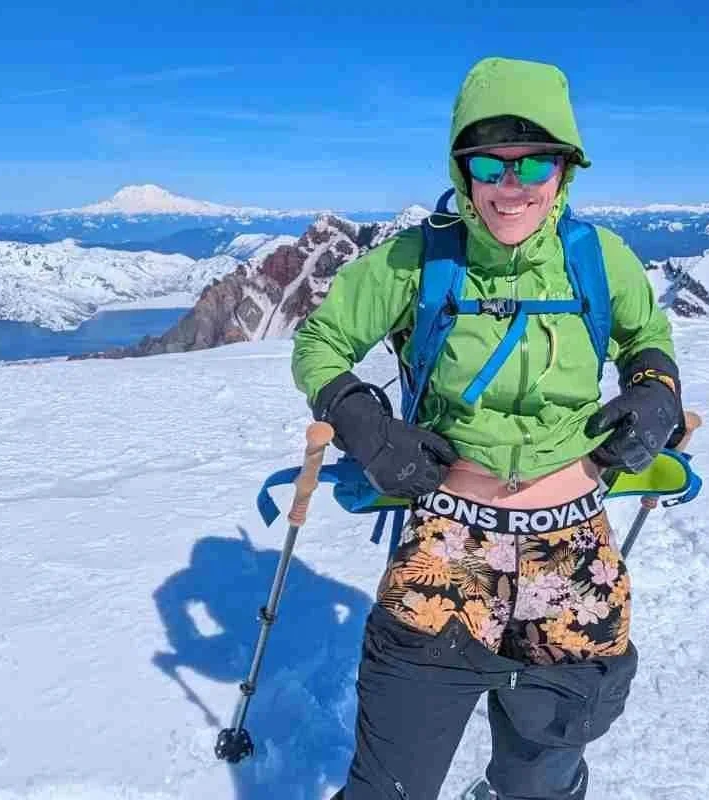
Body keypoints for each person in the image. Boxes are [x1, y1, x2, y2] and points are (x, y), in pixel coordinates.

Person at [292, 55, 683, 800]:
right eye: (489, 164)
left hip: (573, 544)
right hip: (448, 537)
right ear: (461, 169)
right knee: (392, 775)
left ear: (565, 171)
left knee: (548, 761)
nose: (513, 186)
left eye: (535, 161)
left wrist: (656, 390)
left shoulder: (600, 260)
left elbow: (647, 337)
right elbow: (321, 344)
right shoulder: (417, 260)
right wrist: (363, 422)